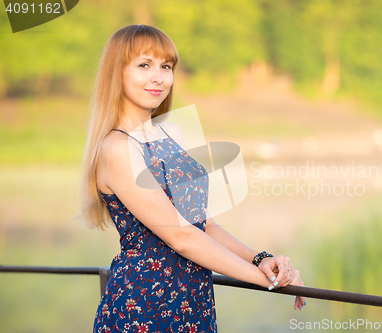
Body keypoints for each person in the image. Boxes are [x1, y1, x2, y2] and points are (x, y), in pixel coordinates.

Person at [79, 24, 305, 333]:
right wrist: (270, 281)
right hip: (142, 307)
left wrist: (262, 259)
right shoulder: (116, 148)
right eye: (144, 65)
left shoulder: (173, 132)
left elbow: (204, 225)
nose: (158, 77)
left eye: (166, 66)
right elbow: (181, 236)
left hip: (193, 301)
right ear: (116, 72)